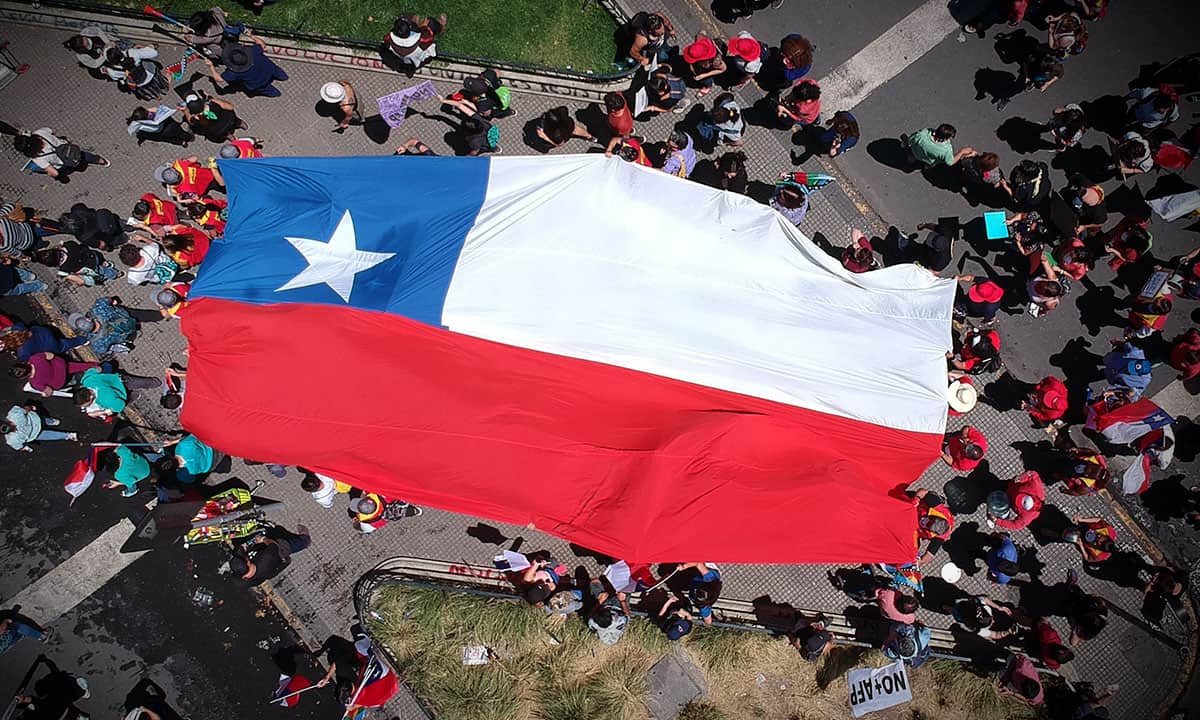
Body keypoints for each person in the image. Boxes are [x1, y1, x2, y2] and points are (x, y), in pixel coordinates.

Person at [204, 33, 289, 97]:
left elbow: (219, 79)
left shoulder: (233, 72)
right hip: (270, 69)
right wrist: (251, 35)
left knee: (266, 89)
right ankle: (284, 77)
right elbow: (262, 44)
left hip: (257, 83)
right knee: (278, 72)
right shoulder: (253, 51)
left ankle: (276, 94)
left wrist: (211, 66)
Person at [229, 524, 311, 586]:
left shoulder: (248, 580)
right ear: (247, 562)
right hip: (278, 550)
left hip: (270, 560)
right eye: (244, 558)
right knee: (288, 545)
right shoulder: (267, 558)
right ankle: (305, 540)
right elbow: (273, 545)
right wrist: (263, 539)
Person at [14, 127, 109, 180]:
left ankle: (79, 166)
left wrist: (51, 174)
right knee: (84, 155)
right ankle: (102, 161)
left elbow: (54, 172)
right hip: (68, 148)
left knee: (72, 165)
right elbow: (51, 130)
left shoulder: (38, 158)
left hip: (64, 163)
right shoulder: (39, 133)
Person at [74, 367, 159, 419]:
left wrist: (105, 412)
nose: (87, 406)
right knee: (142, 382)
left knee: (128, 398)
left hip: (123, 391)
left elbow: (120, 405)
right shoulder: (86, 380)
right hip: (120, 379)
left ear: (90, 397)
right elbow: (97, 369)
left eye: (87, 404)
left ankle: (135, 395)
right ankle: (155, 382)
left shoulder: (105, 400)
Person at [68, 296, 139, 356]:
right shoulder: (98, 309)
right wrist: (113, 301)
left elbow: (104, 350)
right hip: (127, 317)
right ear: (88, 319)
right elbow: (107, 299)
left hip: (128, 335)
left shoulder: (96, 344)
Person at [8, 352, 99, 397]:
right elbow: (50, 355)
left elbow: (49, 390)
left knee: (72, 382)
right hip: (61, 366)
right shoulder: (35, 359)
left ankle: (83, 380)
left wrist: (45, 395)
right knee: (74, 366)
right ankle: (94, 366)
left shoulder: (34, 383)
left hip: (60, 381)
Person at [32, 242, 120, 287]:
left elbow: (80, 281)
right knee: (100, 261)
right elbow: (81, 246)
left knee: (103, 272)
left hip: (91, 268)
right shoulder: (67, 245)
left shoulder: (63, 271)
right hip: (92, 255)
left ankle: (116, 274)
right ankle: (106, 264)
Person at [382, 14, 447, 72]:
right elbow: (429, 36)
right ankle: (441, 26)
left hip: (402, 56)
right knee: (431, 23)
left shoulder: (389, 38)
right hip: (417, 57)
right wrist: (424, 26)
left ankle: (415, 22)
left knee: (404, 15)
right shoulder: (422, 40)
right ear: (410, 28)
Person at [3, 403, 76, 452]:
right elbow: (25, 409)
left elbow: (19, 447)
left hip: (35, 430)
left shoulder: (11, 440)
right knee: (48, 428)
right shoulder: (13, 414)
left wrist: (25, 448)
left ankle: (68, 435)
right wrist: (31, 407)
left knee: (49, 434)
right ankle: (55, 424)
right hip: (36, 423)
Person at [0, 322, 86, 362]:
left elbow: (31, 359)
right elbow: (20, 325)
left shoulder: (22, 353)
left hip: (50, 345)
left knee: (63, 345)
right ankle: (82, 339)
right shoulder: (17, 329)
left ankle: (81, 341)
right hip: (44, 331)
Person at [154, 157, 224, 204]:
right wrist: (186, 160)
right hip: (208, 172)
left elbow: (196, 198)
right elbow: (195, 158)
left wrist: (181, 200)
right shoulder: (179, 165)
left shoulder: (181, 190)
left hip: (209, 185)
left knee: (224, 187)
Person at [911, 488, 955, 563]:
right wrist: (916, 499)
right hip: (916, 508)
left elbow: (929, 556)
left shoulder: (939, 538)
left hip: (914, 526)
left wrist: (919, 561)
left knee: (913, 549)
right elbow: (923, 491)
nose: (926, 522)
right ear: (936, 517)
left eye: (928, 525)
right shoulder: (937, 507)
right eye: (930, 520)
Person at [904, 124, 975, 168]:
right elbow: (950, 162)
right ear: (945, 138)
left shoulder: (922, 134)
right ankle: (926, 166)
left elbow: (910, 140)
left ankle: (910, 161)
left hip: (916, 153)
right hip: (930, 161)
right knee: (930, 164)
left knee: (913, 157)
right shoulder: (946, 149)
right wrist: (961, 152)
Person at [949, 594, 1015, 640]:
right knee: (952, 611)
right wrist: (1008, 632)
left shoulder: (985, 609)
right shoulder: (981, 628)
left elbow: (984, 599)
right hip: (960, 616)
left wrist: (999, 607)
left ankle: (946, 606)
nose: (993, 621)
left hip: (963, 604)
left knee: (953, 606)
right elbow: (995, 635)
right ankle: (945, 607)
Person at [587, 576, 630, 645]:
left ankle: (609, 586)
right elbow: (627, 614)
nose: (608, 609)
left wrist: (600, 602)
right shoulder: (619, 623)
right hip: (617, 606)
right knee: (627, 585)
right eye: (608, 611)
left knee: (594, 582)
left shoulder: (593, 623)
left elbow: (590, 615)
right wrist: (622, 600)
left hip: (602, 604)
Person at [126, 104, 193, 146]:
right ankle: (189, 138)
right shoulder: (151, 115)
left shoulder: (140, 124)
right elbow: (156, 109)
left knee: (170, 139)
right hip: (169, 126)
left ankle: (182, 142)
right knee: (180, 133)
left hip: (161, 133)